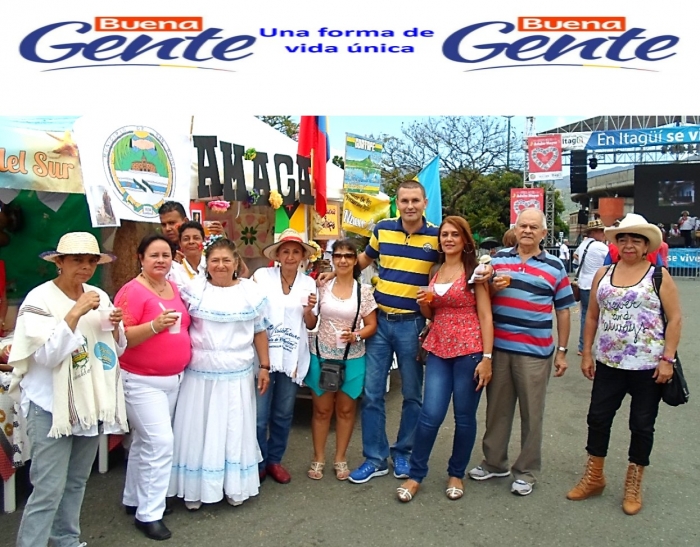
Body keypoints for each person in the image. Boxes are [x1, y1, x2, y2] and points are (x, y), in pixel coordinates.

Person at [9, 232, 128, 547]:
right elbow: (47, 356)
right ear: (59, 262)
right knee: (47, 488)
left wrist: (116, 326)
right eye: (77, 260)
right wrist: (75, 312)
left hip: (88, 402)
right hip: (51, 406)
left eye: (91, 261)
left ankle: (66, 539)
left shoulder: (98, 295)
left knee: (76, 481)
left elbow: (113, 350)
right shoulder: (39, 299)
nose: (85, 267)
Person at [567, 213, 681, 516]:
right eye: (623, 239)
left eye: (636, 240)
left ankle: (634, 482)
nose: (629, 245)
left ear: (646, 246)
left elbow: (675, 319)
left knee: (641, 425)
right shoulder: (603, 273)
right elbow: (592, 316)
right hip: (609, 363)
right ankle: (594, 476)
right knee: (598, 418)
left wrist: (667, 359)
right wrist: (587, 353)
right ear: (615, 243)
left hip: (648, 366)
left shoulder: (658, 276)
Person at [468, 208, 575, 496]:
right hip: (499, 348)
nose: (527, 231)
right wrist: (492, 286)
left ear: (543, 233)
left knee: (532, 413)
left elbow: (564, 310)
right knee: (497, 410)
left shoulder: (555, 266)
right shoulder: (498, 259)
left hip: (535, 352)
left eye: (533, 227)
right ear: (515, 230)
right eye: (523, 226)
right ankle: (494, 463)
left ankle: (526, 471)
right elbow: (482, 298)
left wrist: (562, 351)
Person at [168, 237, 271, 509]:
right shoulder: (194, 290)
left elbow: (260, 331)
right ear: (207, 263)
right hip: (199, 375)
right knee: (198, 429)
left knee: (233, 428)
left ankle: (233, 486)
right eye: (215, 260)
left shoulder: (250, 293)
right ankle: (195, 489)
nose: (221, 265)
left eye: (227, 260)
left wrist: (264, 366)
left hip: (237, 374)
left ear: (236, 262)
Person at [396, 216, 494, 503]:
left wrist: (487, 358)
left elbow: (485, 315)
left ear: (465, 240)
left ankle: (456, 473)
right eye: (444, 234)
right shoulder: (436, 270)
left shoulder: (475, 271)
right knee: (430, 415)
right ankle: (416, 475)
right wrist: (424, 304)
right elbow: (431, 313)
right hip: (439, 348)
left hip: (470, 350)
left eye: (454, 234)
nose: (448, 239)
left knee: (464, 417)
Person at [114, 234, 192, 541]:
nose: (161, 260)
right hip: (140, 381)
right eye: (154, 255)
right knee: (160, 443)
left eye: (166, 255)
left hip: (172, 380)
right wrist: (154, 326)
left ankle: (134, 498)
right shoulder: (132, 291)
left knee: (144, 442)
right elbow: (120, 339)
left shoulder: (173, 287)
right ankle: (150, 514)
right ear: (141, 258)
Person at [305, 239, 377, 481]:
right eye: (338, 256)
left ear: (356, 260)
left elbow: (372, 325)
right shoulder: (322, 287)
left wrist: (356, 335)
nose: (343, 260)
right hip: (321, 355)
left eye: (348, 256)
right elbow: (311, 324)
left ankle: (340, 457)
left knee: (346, 411)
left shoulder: (363, 292)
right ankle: (318, 457)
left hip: (352, 357)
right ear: (332, 259)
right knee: (321, 410)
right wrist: (307, 310)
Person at [253, 229, 319, 484]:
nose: (290, 256)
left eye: (295, 252)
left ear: (302, 256)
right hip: (264, 356)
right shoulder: (262, 277)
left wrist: (309, 309)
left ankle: (274, 460)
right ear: (277, 255)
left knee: (283, 413)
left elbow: (311, 324)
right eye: (286, 251)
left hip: (292, 357)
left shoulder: (308, 283)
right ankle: (258, 461)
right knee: (260, 416)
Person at [573, 220, 609, 355]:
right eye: (601, 231)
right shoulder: (600, 246)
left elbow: (576, 257)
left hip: (583, 283)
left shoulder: (583, 244)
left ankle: (582, 346)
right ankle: (603, 345)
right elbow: (613, 257)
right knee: (600, 316)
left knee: (585, 315)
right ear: (595, 232)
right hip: (596, 284)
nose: (604, 234)